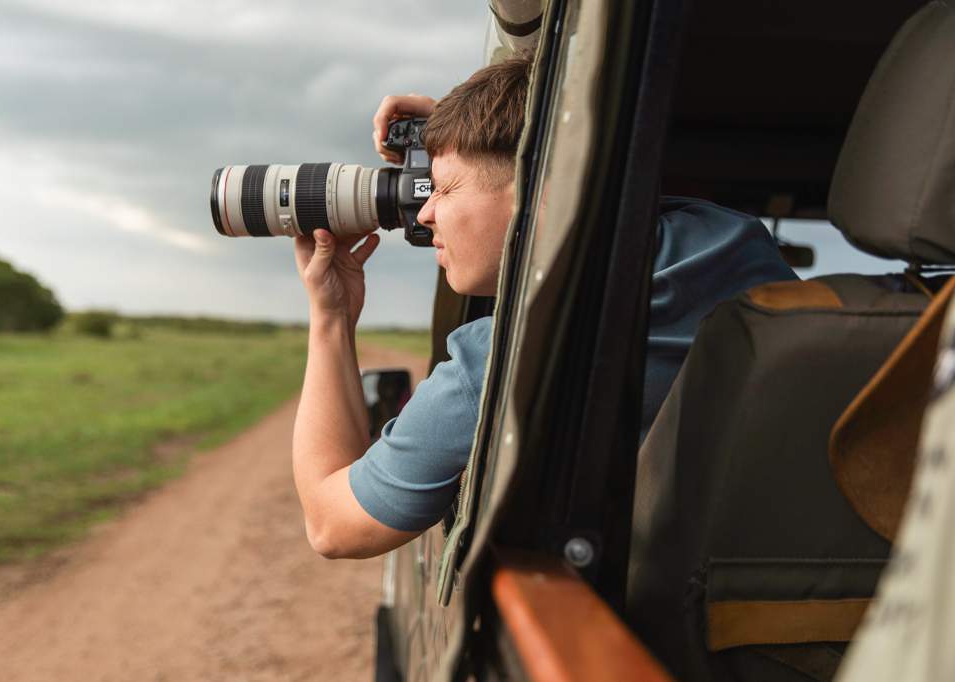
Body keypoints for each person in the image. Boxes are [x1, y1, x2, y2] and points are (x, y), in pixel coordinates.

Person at [291, 49, 796, 559]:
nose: (423, 213)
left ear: (544, 191)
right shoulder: (733, 240)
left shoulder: (507, 356)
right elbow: (571, 164)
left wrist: (330, 315)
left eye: (442, 189)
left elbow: (332, 526)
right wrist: (473, 130)